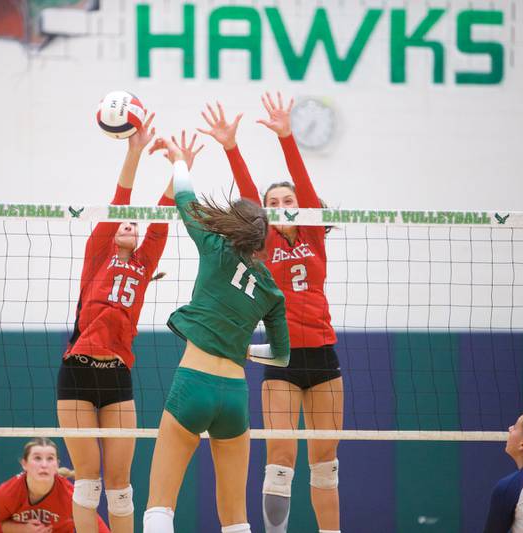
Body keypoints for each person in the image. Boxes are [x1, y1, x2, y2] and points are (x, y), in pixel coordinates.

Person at [198, 92, 343, 533]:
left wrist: (287, 138)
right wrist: (230, 147)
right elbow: (246, 196)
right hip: (281, 359)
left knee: (326, 464)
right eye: (273, 202)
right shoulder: (262, 243)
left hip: (323, 357)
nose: (281, 205)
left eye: (287, 199)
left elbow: (306, 187)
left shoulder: (314, 235)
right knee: (280, 460)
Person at [56, 115, 203, 533]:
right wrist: (134, 151)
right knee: (87, 483)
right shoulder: (98, 253)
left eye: (133, 225)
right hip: (78, 375)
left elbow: (161, 214)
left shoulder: (144, 262)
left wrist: (181, 168)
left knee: (120, 487)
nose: (128, 224)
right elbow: (121, 200)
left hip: (117, 376)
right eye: (123, 221)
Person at [142, 135, 290, 533]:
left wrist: (178, 160)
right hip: (235, 397)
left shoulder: (214, 246)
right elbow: (281, 357)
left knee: (159, 505)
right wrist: (244, 350)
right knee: (235, 518)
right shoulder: (272, 292)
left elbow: (185, 196)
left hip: (194, 383)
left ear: (231, 225)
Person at [0, 437, 110, 533]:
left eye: (50, 458)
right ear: (24, 464)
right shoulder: (6, 493)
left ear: (57, 465)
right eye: (37, 458)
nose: (44, 465)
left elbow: (97, 527)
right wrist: (23, 530)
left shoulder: (70, 496)